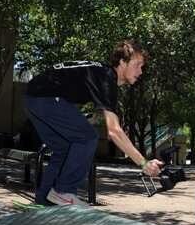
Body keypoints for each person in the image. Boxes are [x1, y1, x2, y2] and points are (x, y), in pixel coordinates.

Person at [23, 40, 163, 206]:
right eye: (137, 64)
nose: (140, 71)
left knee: (65, 149)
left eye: (142, 66)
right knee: (87, 137)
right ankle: (63, 192)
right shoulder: (107, 77)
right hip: (45, 98)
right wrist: (143, 163)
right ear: (122, 62)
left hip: (32, 98)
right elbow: (114, 131)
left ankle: (42, 203)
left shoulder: (99, 73)